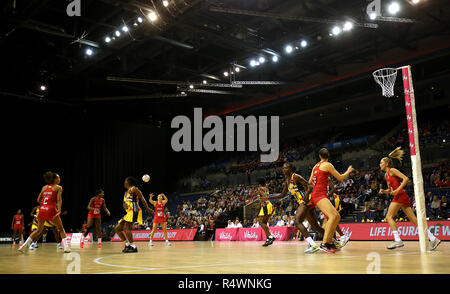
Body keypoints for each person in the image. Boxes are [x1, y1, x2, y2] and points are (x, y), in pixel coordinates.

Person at [379, 147, 441, 250]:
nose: (380, 164)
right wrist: (385, 191)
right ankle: (433, 238)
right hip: (400, 196)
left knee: (388, 217)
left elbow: (406, 179)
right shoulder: (386, 175)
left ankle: (398, 240)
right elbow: (392, 189)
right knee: (414, 220)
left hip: (400, 196)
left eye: (381, 162)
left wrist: (397, 190)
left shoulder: (392, 170)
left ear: (387, 164)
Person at [271, 163, 325, 253]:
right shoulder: (287, 181)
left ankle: (312, 244)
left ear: (291, 168)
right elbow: (282, 195)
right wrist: (268, 198)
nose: (284, 170)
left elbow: (309, 186)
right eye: (283, 168)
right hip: (304, 203)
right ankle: (332, 240)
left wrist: (307, 195)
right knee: (315, 226)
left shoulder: (295, 177)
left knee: (297, 221)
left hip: (306, 201)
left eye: (286, 168)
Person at [308, 148, 354, 253]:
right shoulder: (328, 165)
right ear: (328, 155)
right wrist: (348, 171)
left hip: (317, 194)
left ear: (320, 156)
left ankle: (330, 242)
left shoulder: (315, 166)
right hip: (319, 195)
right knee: (333, 216)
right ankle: (325, 243)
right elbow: (341, 178)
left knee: (336, 216)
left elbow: (310, 182)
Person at [18, 172, 70, 253]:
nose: (59, 179)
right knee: (61, 228)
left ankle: (23, 246)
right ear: (54, 179)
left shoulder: (44, 187)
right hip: (51, 209)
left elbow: (38, 200)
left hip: (42, 209)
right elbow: (59, 200)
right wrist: (59, 210)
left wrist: (44, 204)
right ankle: (66, 248)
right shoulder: (58, 187)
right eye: (58, 178)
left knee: (39, 230)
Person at [115, 177, 153, 253]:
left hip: (134, 210)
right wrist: (124, 205)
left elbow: (142, 198)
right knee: (117, 228)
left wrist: (147, 208)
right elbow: (124, 203)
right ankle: (127, 244)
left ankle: (133, 246)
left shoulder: (133, 189)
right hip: (129, 212)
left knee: (126, 228)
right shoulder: (125, 193)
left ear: (128, 182)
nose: (124, 183)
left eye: (125, 181)